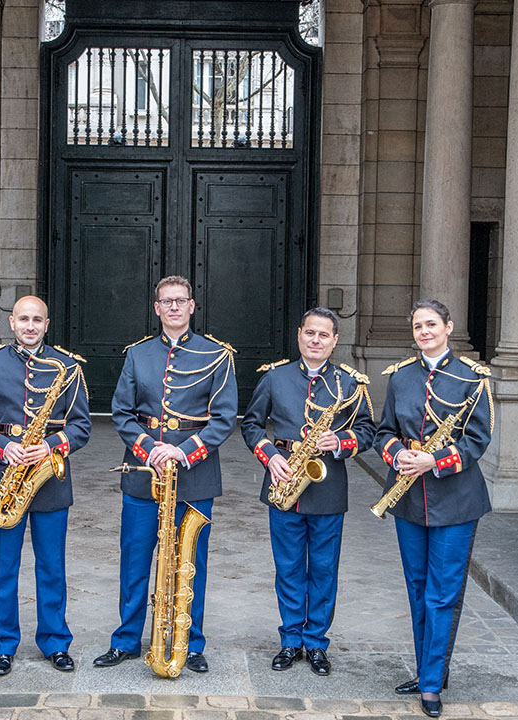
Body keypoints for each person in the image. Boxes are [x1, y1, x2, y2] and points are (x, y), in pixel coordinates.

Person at [93, 275, 238, 674]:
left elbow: (225, 419)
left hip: (195, 476)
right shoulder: (138, 355)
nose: (174, 307)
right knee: (135, 560)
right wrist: (151, 449)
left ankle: (190, 644)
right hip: (144, 473)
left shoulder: (217, 355)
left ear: (192, 306)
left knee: (190, 563)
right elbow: (120, 412)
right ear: (156, 308)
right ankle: (126, 640)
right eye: (166, 301)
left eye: (181, 300)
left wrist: (183, 451)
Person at [373, 299, 494, 718]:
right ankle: (431, 669)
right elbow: (384, 431)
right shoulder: (401, 377)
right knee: (417, 587)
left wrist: (433, 461)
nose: (424, 331)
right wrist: (396, 456)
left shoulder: (472, 378)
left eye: (431, 324)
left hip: (456, 500)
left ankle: (429, 684)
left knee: (442, 594)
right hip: (408, 499)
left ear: (448, 327)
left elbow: (478, 439)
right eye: (418, 326)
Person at [239, 307, 375, 676]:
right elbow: (251, 425)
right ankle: (289, 640)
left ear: (334, 340)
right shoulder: (275, 377)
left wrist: (340, 441)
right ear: (299, 334)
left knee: (324, 570)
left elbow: (367, 432)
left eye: (324, 335)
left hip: (328, 486)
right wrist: (269, 457)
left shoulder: (351, 384)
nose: (316, 340)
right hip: (283, 479)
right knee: (288, 569)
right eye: (310, 333)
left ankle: (316, 643)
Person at [0, 295, 91, 677]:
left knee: (52, 566)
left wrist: (49, 445)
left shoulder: (68, 367)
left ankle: (55, 642)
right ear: (12, 323)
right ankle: (2, 645)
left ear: (47, 324)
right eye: (24, 319)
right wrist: (6, 447)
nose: (30, 326)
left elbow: (82, 426)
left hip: (48, 477)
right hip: (4, 477)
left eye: (37, 319)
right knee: (3, 567)